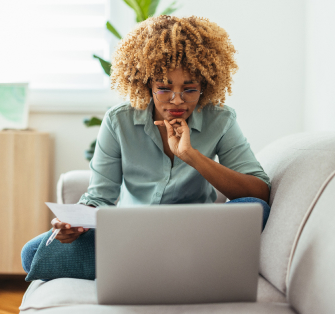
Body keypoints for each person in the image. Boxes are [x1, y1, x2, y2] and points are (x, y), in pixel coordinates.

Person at [22, 15, 271, 274]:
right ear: (146, 84)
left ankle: (147, 267)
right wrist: (75, 223)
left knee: (256, 209)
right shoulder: (119, 120)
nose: (177, 101)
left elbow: (258, 194)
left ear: (205, 86)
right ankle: (173, 267)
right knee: (31, 254)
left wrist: (190, 154)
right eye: (164, 88)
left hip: (194, 234)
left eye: (189, 89)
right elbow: (99, 197)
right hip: (131, 235)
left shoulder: (220, 119)